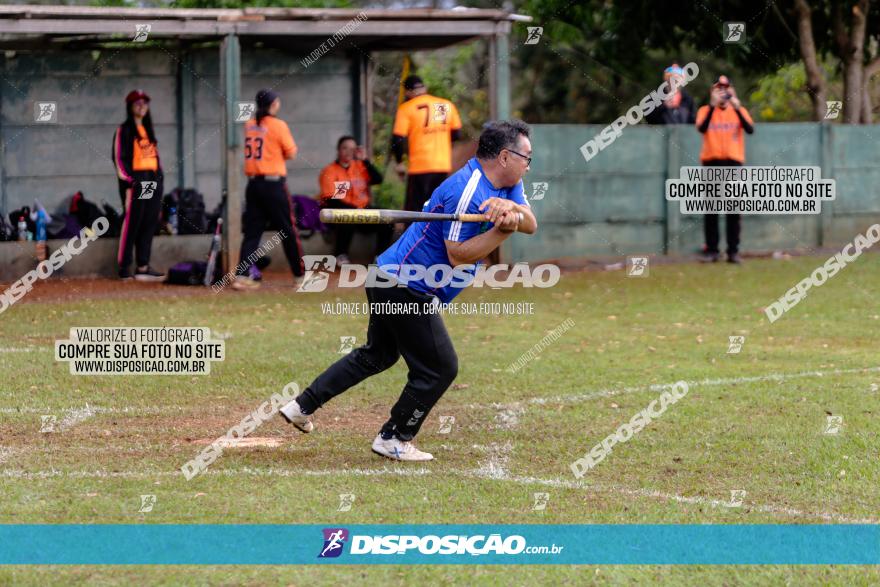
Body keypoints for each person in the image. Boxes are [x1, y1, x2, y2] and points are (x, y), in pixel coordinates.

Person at [278, 120, 538, 462]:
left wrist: (513, 212)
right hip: (404, 286)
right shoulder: (468, 191)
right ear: (505, 156)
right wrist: (503, 231)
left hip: (391, 277)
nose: (528, 164)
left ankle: (301, 406)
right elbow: (458, 256)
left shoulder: (508, 184)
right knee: (440, 368)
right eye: (526, 157)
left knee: (377, 355)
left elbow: (532, 225)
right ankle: (394, 437)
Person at [232, 89, 305, 291]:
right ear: (273, 105)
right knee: (288, 230)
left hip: (253, 184)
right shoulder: (278, 125)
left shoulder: (249, 124)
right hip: (273, 185)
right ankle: (300, 276)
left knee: (252, 232)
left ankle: (243, 275)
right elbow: (291, 153)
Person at [695, 75, 754, 264]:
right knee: (711, 209)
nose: (723, 93)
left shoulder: (738, 110)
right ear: (712, 92)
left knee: (733, 209)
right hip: (711, 162)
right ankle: (712, 250)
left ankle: (733, 251)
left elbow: (750, 129)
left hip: (733, 162)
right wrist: (712, 106)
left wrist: (737, 107)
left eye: (726, 89)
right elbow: (702, 128)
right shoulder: (705, 110)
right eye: (718, 89)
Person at [111, 89, 165, 281]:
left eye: (145, 102)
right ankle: (125, 268)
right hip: (136, 182)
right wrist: (130, 183)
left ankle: (142, 266)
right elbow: (119, 160)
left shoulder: (148, 130)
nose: (142, 106)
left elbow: (154, 159)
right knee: (132, 223)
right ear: (130, 106)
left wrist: (158, 179)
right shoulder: (123, 130)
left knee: (148, 222)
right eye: (137, 103)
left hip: (151, 180)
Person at [391, 75, 463, 212]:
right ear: (424, 88)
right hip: (442, 165)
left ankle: (415, 234)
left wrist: (399, 162)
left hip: (419, 167)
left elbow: (397, 138)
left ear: (407, 92)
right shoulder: (443, 105)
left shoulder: (406, 108)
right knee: (436, 208)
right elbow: (457, 134)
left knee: (415, 211)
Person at [318, 136, 392, 263]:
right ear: (338, 150)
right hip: (342, 214)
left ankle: (380, 257)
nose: (348, 152)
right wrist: (354, 211)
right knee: (347, 215)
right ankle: (340, 255)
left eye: (352, 149)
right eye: (345, 148)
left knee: (387, 218)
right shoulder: (330, 171)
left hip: (363, 212)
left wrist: (365, 160)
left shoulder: (360, 166)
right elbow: (332, 200)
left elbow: (378, 179)